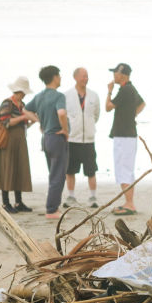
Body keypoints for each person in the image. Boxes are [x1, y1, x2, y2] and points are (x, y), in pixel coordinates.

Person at [25, 65, 69, 219]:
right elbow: (62, 113)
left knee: (53, 174)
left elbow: (25, 110)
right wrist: (65, 130)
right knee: (58, 175)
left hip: (46, 139)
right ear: (55, 77)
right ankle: (52, 210)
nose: (61, 78)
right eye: (59, 75)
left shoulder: (39, 96)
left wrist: (40, 121)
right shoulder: (58, 96)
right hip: (57, 137)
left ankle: (52, 207)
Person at [105, 62, 145, 215]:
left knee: (123, 168)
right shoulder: (131, 89)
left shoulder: (125, 89)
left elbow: (108, 107)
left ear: (122, 74)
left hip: (124, 135)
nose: (114, 75)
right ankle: (128, 202)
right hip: (127, 133)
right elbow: (142, 104)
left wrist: (109, 91)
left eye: (115, 73)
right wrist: (131, 115)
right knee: (126, 168)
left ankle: (129, 203)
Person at [0, 77, 37, 213]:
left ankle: (18, 202)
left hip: (20, 139)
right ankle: (5, 202)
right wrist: (23, 117)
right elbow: (5, 122)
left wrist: (32, 121)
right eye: (23, 92)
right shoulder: (7, 103)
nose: (24, 94)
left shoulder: (22, 104)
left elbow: (23, 124)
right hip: (8, 140)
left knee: (20, 169)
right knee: (7, 169)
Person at [64, 67, 101, 209]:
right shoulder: (67, 95)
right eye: (83, 76)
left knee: (91, 170)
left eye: (87, 76)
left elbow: (96, 115)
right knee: (70, 170)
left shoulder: (93, 95)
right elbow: (64, 115)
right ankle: (71, 196)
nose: (85, 79)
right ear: (76, 77)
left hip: (89, 139)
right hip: (73, 139)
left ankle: (92, 197)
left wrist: (90, 127)